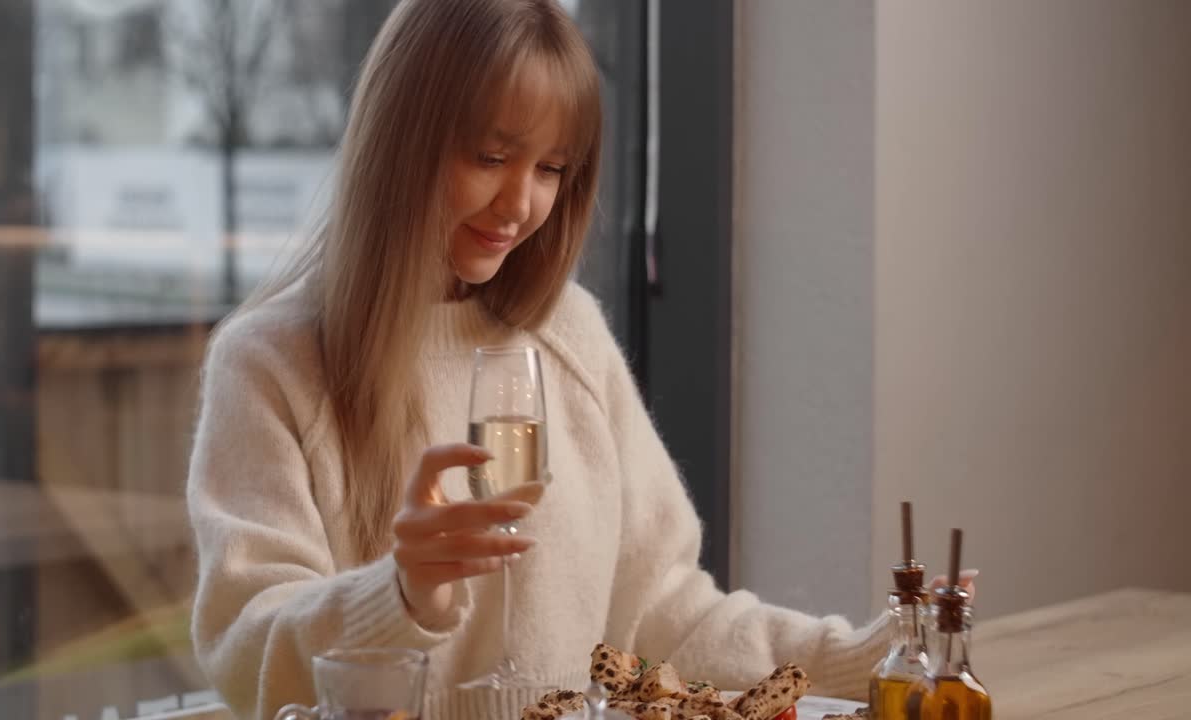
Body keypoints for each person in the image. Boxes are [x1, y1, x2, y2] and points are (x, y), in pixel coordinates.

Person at [186, 1, 973, 718]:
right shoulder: (270, 365)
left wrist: (879, 655)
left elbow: (666, 615)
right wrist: (399, 593)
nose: (520, 204)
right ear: (401, 140)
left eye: (551, 169)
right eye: (491, 156)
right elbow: (245, 647)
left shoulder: (570, 336)